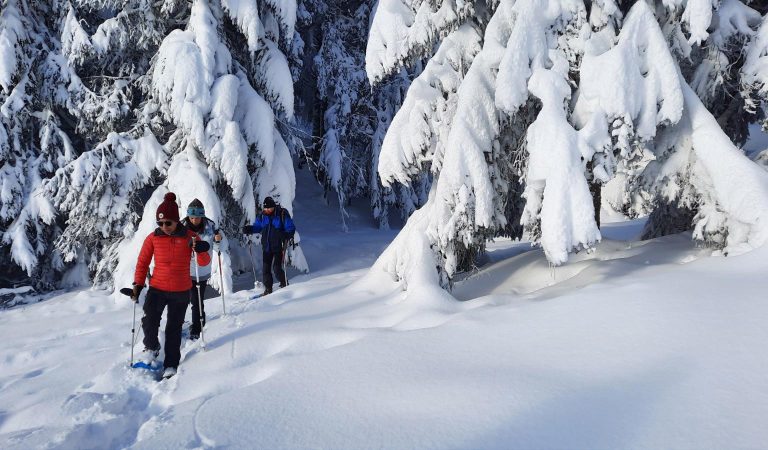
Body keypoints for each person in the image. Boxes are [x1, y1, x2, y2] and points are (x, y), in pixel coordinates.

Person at [132, 192, 211, 379]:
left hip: (181, 290)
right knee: (149, 320)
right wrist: (138, 284)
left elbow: (204, 262)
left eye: (168, 222)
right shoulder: (153, 238)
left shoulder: (190, 237)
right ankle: (151, 347)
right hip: (157, 288)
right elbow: (142, 262)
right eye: (160, 223)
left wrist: (200, 251)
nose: (164, 226)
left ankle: (171, 364)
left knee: (173, 329)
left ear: (176, 221)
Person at [181, 198, 222, 340]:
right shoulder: (181, 227)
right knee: (182, 300)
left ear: (202, 216)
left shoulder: (210, 226)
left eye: (197, 217)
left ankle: (197, 327)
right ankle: (183, 323)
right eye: (192, 217)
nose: (194, 220)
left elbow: (218, 247)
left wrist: (217, 241)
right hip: (185, 270)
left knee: (197, 300)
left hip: (202, 269)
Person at [242, 196, 296, 297]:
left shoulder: (281, 215)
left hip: (278, 246)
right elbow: (258, 227)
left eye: (269, 208)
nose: (267, 210)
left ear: (273, 207)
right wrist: (249, 229)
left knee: (276, 268)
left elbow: (291, 228)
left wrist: (285, 235)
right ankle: (268, 289)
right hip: (266, 247)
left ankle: (284, 283)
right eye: (265, 208)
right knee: (266, 269)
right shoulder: (262, 216)